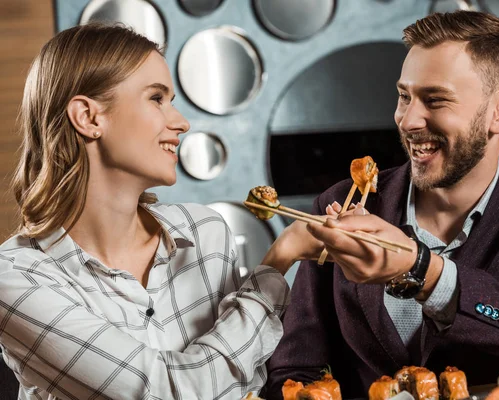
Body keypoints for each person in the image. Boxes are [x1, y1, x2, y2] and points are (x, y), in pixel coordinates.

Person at [264, 10, 499, 399]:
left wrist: (422, 270)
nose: (408, 120)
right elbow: (295, 370)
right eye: (404, 96)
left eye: (435, 100)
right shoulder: (342, 204)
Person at [0, 23, 325, 399]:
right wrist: (276, 265)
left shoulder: (205, 232)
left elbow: (248, 387)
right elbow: (169, 392)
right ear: (89, 118)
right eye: (156, 98)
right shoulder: (18, 278)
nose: (180, 123)